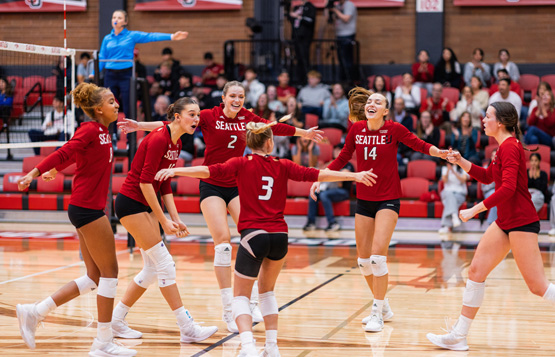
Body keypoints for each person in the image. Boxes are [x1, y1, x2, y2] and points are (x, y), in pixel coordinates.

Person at [154, 121, 377, 357]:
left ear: (249, 143)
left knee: (240, 296)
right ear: (270, 142)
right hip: (280, 236)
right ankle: (272, 347)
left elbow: (208, 171)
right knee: (267, 293)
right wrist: (356, 175)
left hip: (254, 235)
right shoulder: (283, 165)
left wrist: (176, 170)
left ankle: (249, 347)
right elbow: (320, 173)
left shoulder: (240, 163)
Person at [117, 80, 323, 333]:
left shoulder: (246, 117)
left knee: (254, 235)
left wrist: (304, 133)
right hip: (211, 184)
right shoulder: (206, 116)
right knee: (224, 244)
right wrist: (139, 126)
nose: (237, 100)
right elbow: (170, 124)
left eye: (241, 96)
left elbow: (273, 127)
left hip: (236, 184)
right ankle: (229, 311)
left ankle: (253, 302)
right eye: (233, 96)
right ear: (223, 98)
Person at [311, 88, 448, 332]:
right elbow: (342, 157)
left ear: (385, 111)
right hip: (364, 200)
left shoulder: (394, 129)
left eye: (378, 101)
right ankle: (383, 303)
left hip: (388, 199)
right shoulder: (356, 129)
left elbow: (419, 144)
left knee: (377, 257)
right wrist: (321, 177)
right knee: (363, 262)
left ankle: (376, 312)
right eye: (370, 101)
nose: (372, 103)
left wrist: (440, 153)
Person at [15, 82, 136, 356]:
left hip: (88, 206)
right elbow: (65, 150)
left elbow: (82, 158)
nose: (116, 104)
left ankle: (34, 312)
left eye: (115, 100)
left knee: (94, 277)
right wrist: (35, 173)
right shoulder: (90, 128)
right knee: (111, 273)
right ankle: (103, 342)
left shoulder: (103, 132)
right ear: (97, 109)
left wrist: (56, 170)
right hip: (87, 209)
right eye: (111, 101)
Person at [427, 102, 555, 351]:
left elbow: (507, 189)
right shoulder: (503, 147)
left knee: (537, 286)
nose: (483, 120)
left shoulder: (510, 147)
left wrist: (475, 209)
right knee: (475, 272)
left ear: (501, 122)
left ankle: (458, 334)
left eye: (487, 116)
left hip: (521, 222)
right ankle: (458, 336)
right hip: (505, 222)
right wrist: (460, 160)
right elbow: (487, 177)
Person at [111, 97, 218, 342]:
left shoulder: (176, 142)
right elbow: (145, 183)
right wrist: (163, 220)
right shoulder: (160, 138)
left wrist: (175, 218)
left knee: (151, 269)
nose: (197, 119)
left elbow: (165, 181)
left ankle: (117, 320)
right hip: (131, 203)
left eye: (199, 115)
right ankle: (187, 328)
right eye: (192, 114)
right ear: (177, 117)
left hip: (145, 203)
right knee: (165, 264)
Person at [97, 9, 188, 116]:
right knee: (109, 105)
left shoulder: (131, 35)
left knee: (128, 105)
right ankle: (111, 132)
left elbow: (151, 36)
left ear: (125, 22)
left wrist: (172, 36)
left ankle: (130, 132)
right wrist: (94, 73)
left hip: (126, 73)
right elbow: (102, 56)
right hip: (110, 74)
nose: (116, 19)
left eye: (119, 17)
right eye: (114, 17)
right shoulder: (107, 38)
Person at [303, 144, 354, 232]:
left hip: (343, 192)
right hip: (329, 189)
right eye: (334, 150)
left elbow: (340, 181)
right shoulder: (331, 164)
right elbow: (320, 173)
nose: (335, 152)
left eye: (338, 150)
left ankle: (332, 223)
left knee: (324, 195)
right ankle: (311, 223)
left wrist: (329, 171)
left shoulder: (348, 165)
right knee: (313, 194)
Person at [327, 0, 357, 83]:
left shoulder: (349, 4)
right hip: (339, 35)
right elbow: (329, 20)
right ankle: (343, 80)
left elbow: (346, 18)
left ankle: (349, 80)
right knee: (341, 60)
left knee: (347, 60)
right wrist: (328, 7)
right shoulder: (337, 5)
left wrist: (335, 10)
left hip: (347, 35)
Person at [289, 0, 316, 83]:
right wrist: (291, 14)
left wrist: (298, 17)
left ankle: (306, 79)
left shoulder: (310, 7)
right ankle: (299, 79)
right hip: (296, 37)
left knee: (304, 58)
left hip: (305, 37)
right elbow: (291, 19)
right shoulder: (298, 7)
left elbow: (310, 21)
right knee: (298, 59)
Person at [438, 162, 469, 234]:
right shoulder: (445, 168)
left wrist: (454, 171)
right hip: (447, 193)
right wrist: (449, 170)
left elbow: (463, 180)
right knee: (449, 194)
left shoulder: (463, 167)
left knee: (449, 202)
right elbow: (444, 181)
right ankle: (454, 216)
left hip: (459, 193)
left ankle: (446, 226)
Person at [481, 148, 497, 226]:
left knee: (498, 196)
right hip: (488, 192)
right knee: (496, 196)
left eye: (496, 156)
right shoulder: (485, 168)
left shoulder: (502, 167)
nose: (494, 157)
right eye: (492, 156)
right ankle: (491, 223)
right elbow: (483, 187)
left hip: (498, 191)